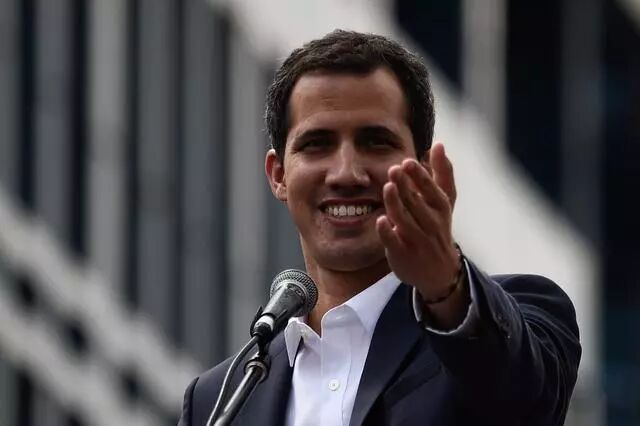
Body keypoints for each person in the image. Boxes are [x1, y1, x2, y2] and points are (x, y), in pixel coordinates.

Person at [179, 30, 581, 426]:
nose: (346, 173)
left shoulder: (515, 313)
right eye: (317, 144)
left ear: (424, 170)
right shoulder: (216, 400)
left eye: (375, 142)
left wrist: (446, 285)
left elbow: (526, 404)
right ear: (279, 175)